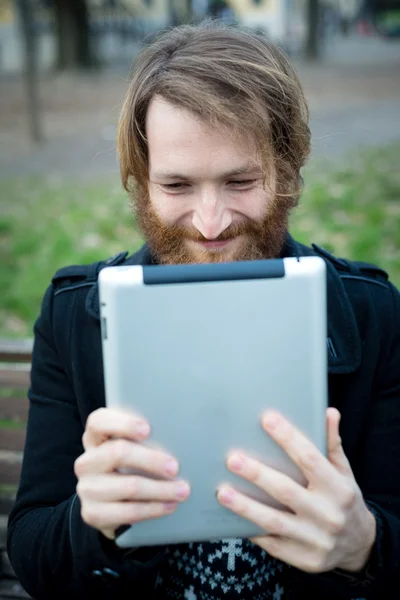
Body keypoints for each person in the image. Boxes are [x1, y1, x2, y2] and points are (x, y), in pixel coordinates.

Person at [7, 21, 400, 600]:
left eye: (240, 181)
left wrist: (365, 545)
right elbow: (35, 555)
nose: (210, 223)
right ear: (140, 182)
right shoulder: (75, 314)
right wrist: (90, 524)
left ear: (288, 169)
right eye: (177, 186)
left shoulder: (372, 313)